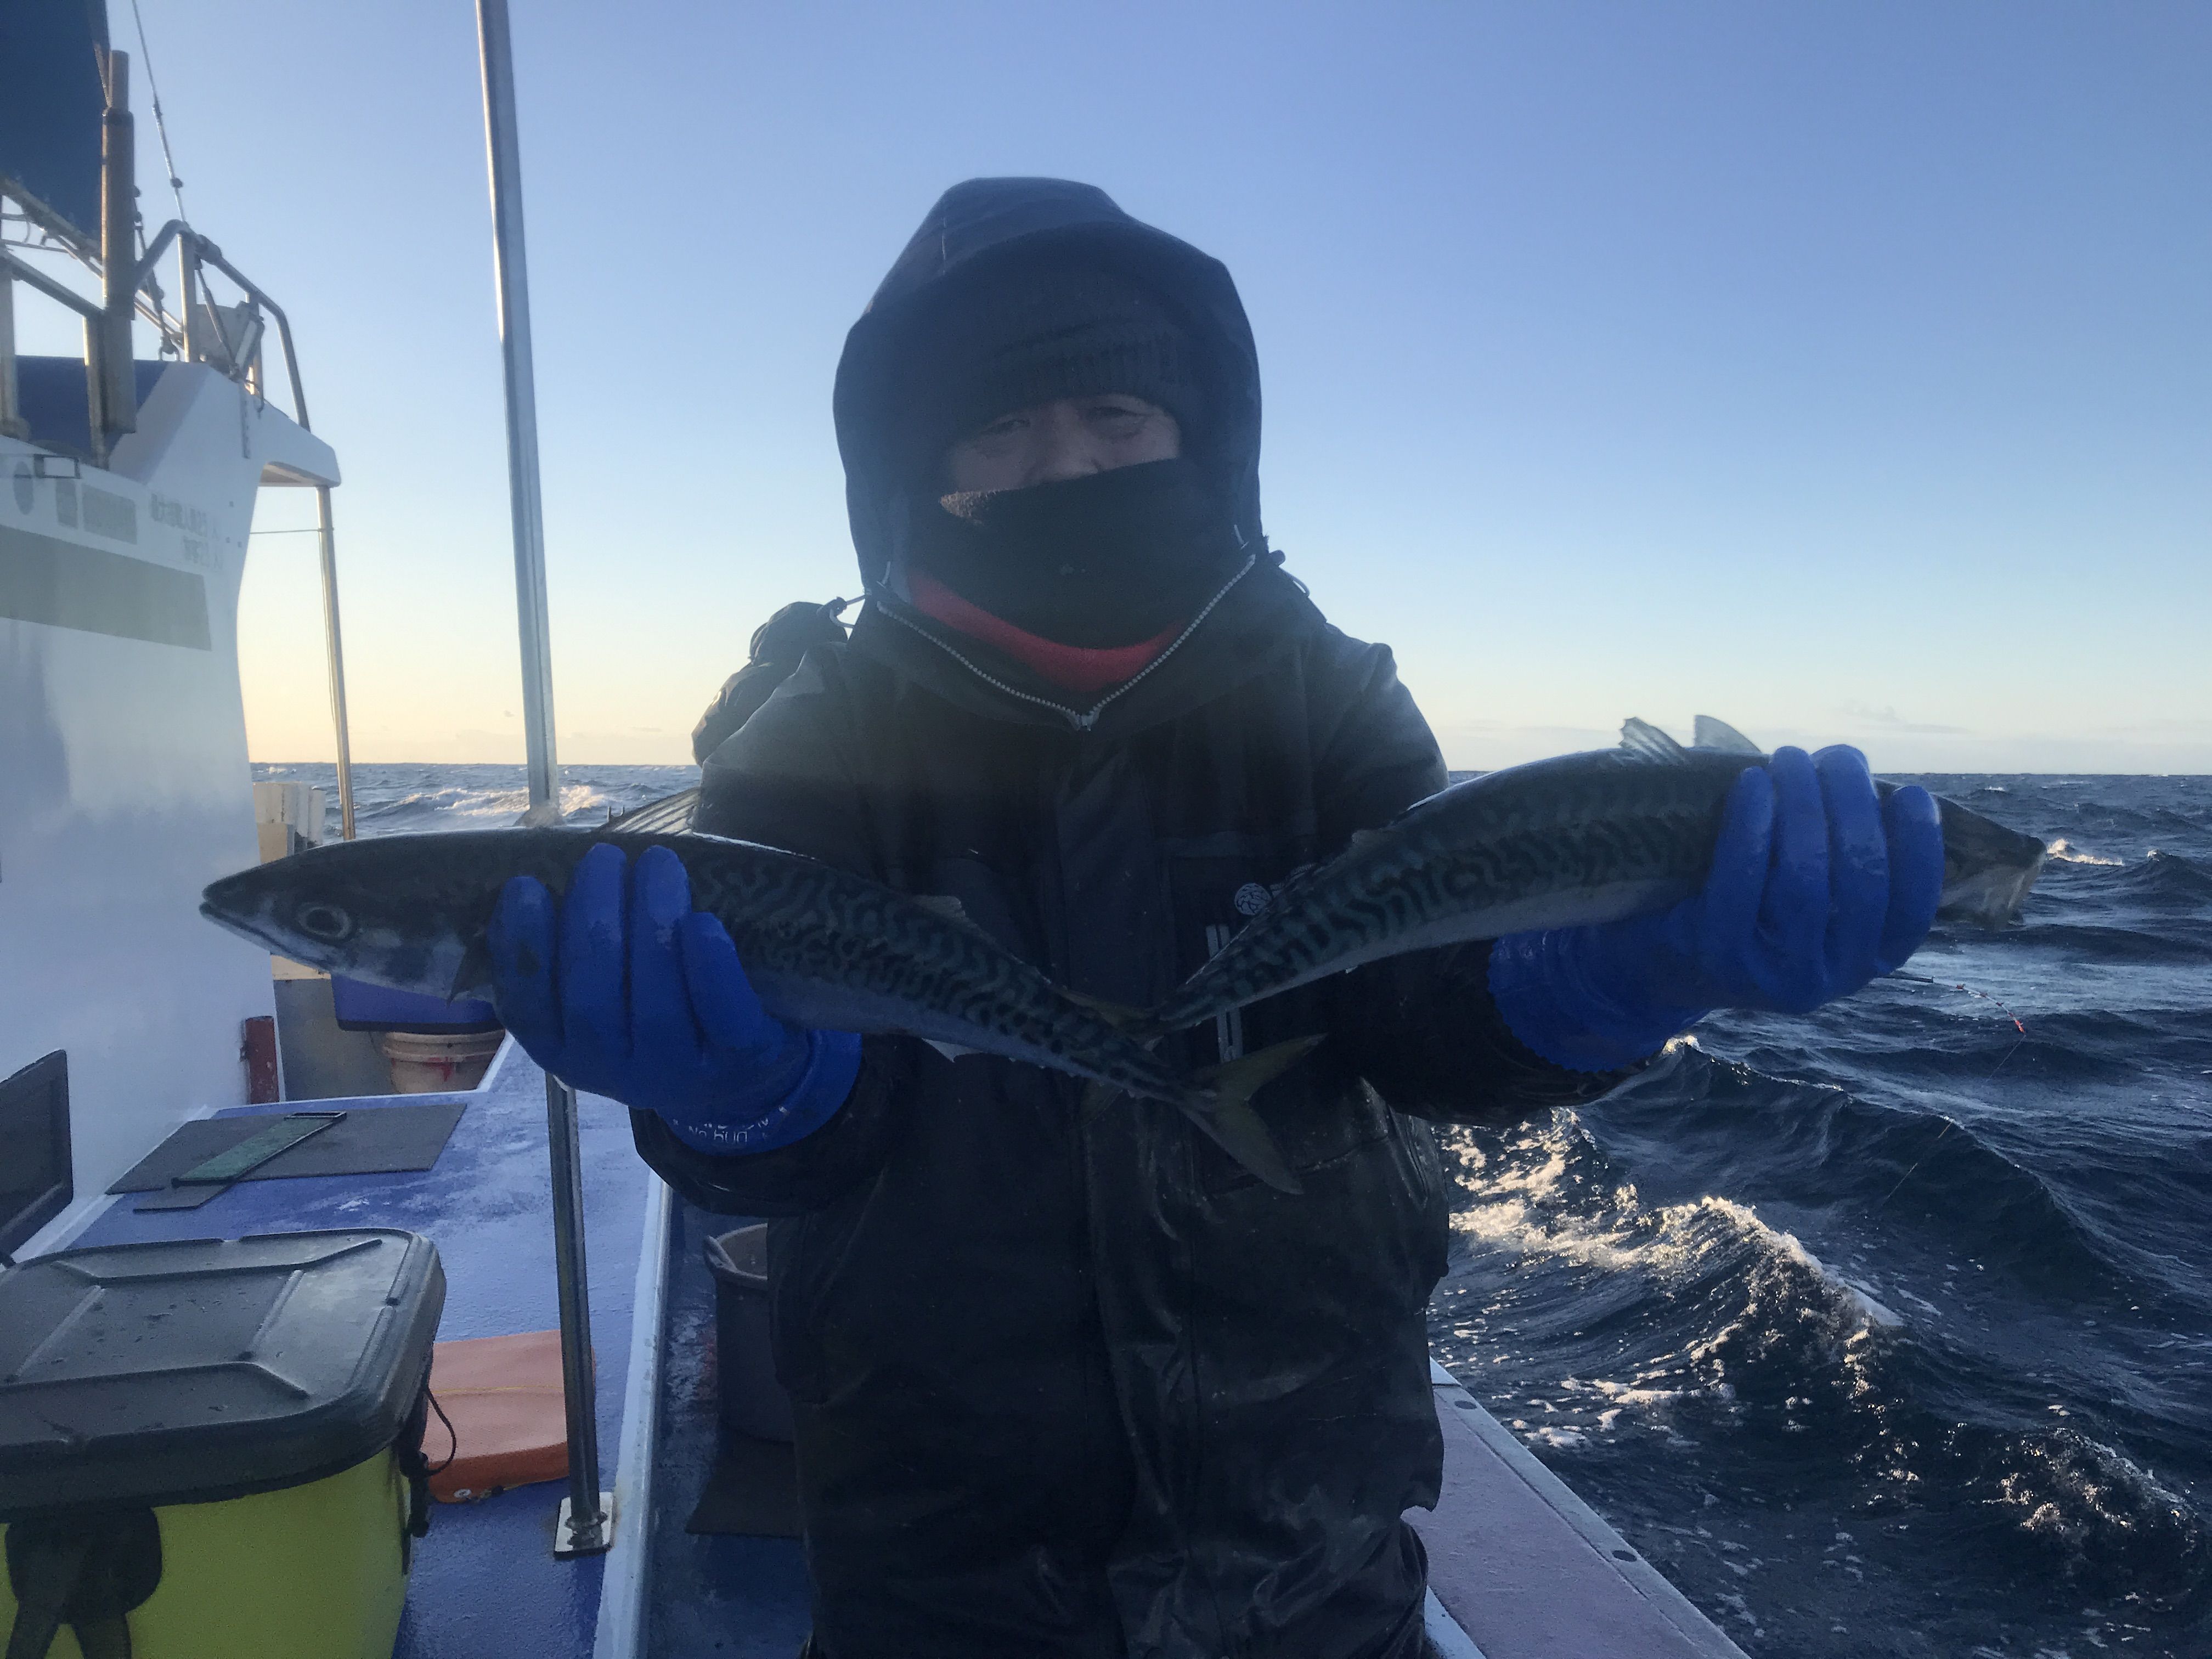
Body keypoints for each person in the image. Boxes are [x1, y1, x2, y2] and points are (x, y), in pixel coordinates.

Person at [487, 178, 1943, 1659]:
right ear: (918, 466)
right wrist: (739, 1094)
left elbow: (1420, 1025)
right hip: (935, 1551)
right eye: (1002, 425)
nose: (1067, 463)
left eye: (1117, 414)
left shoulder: (1327, 695)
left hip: (1312, 1544)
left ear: (1201, 433)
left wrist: (1620, 977)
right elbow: (808, 1146)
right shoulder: (812, 735)